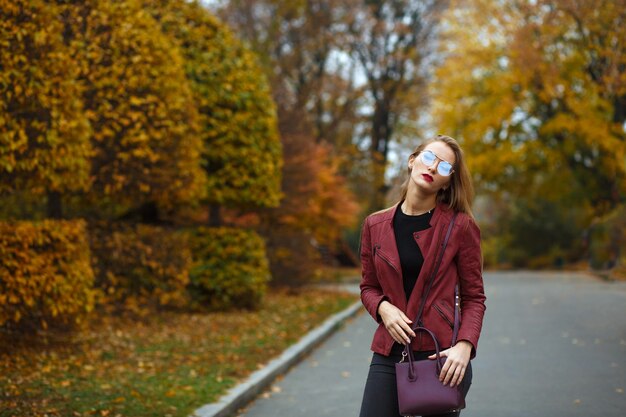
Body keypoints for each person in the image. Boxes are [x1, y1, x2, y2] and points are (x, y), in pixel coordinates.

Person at [358, 135, 486, 417]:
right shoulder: (374, 225)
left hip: (441, 356)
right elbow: (368, 286)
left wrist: (464, 347)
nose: (432, 167)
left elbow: (474, 298)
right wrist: (384, 308)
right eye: (429, 158)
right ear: (412, 161)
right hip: (389, 352)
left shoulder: (460, 227)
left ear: (448, 181)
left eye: (444, 167)